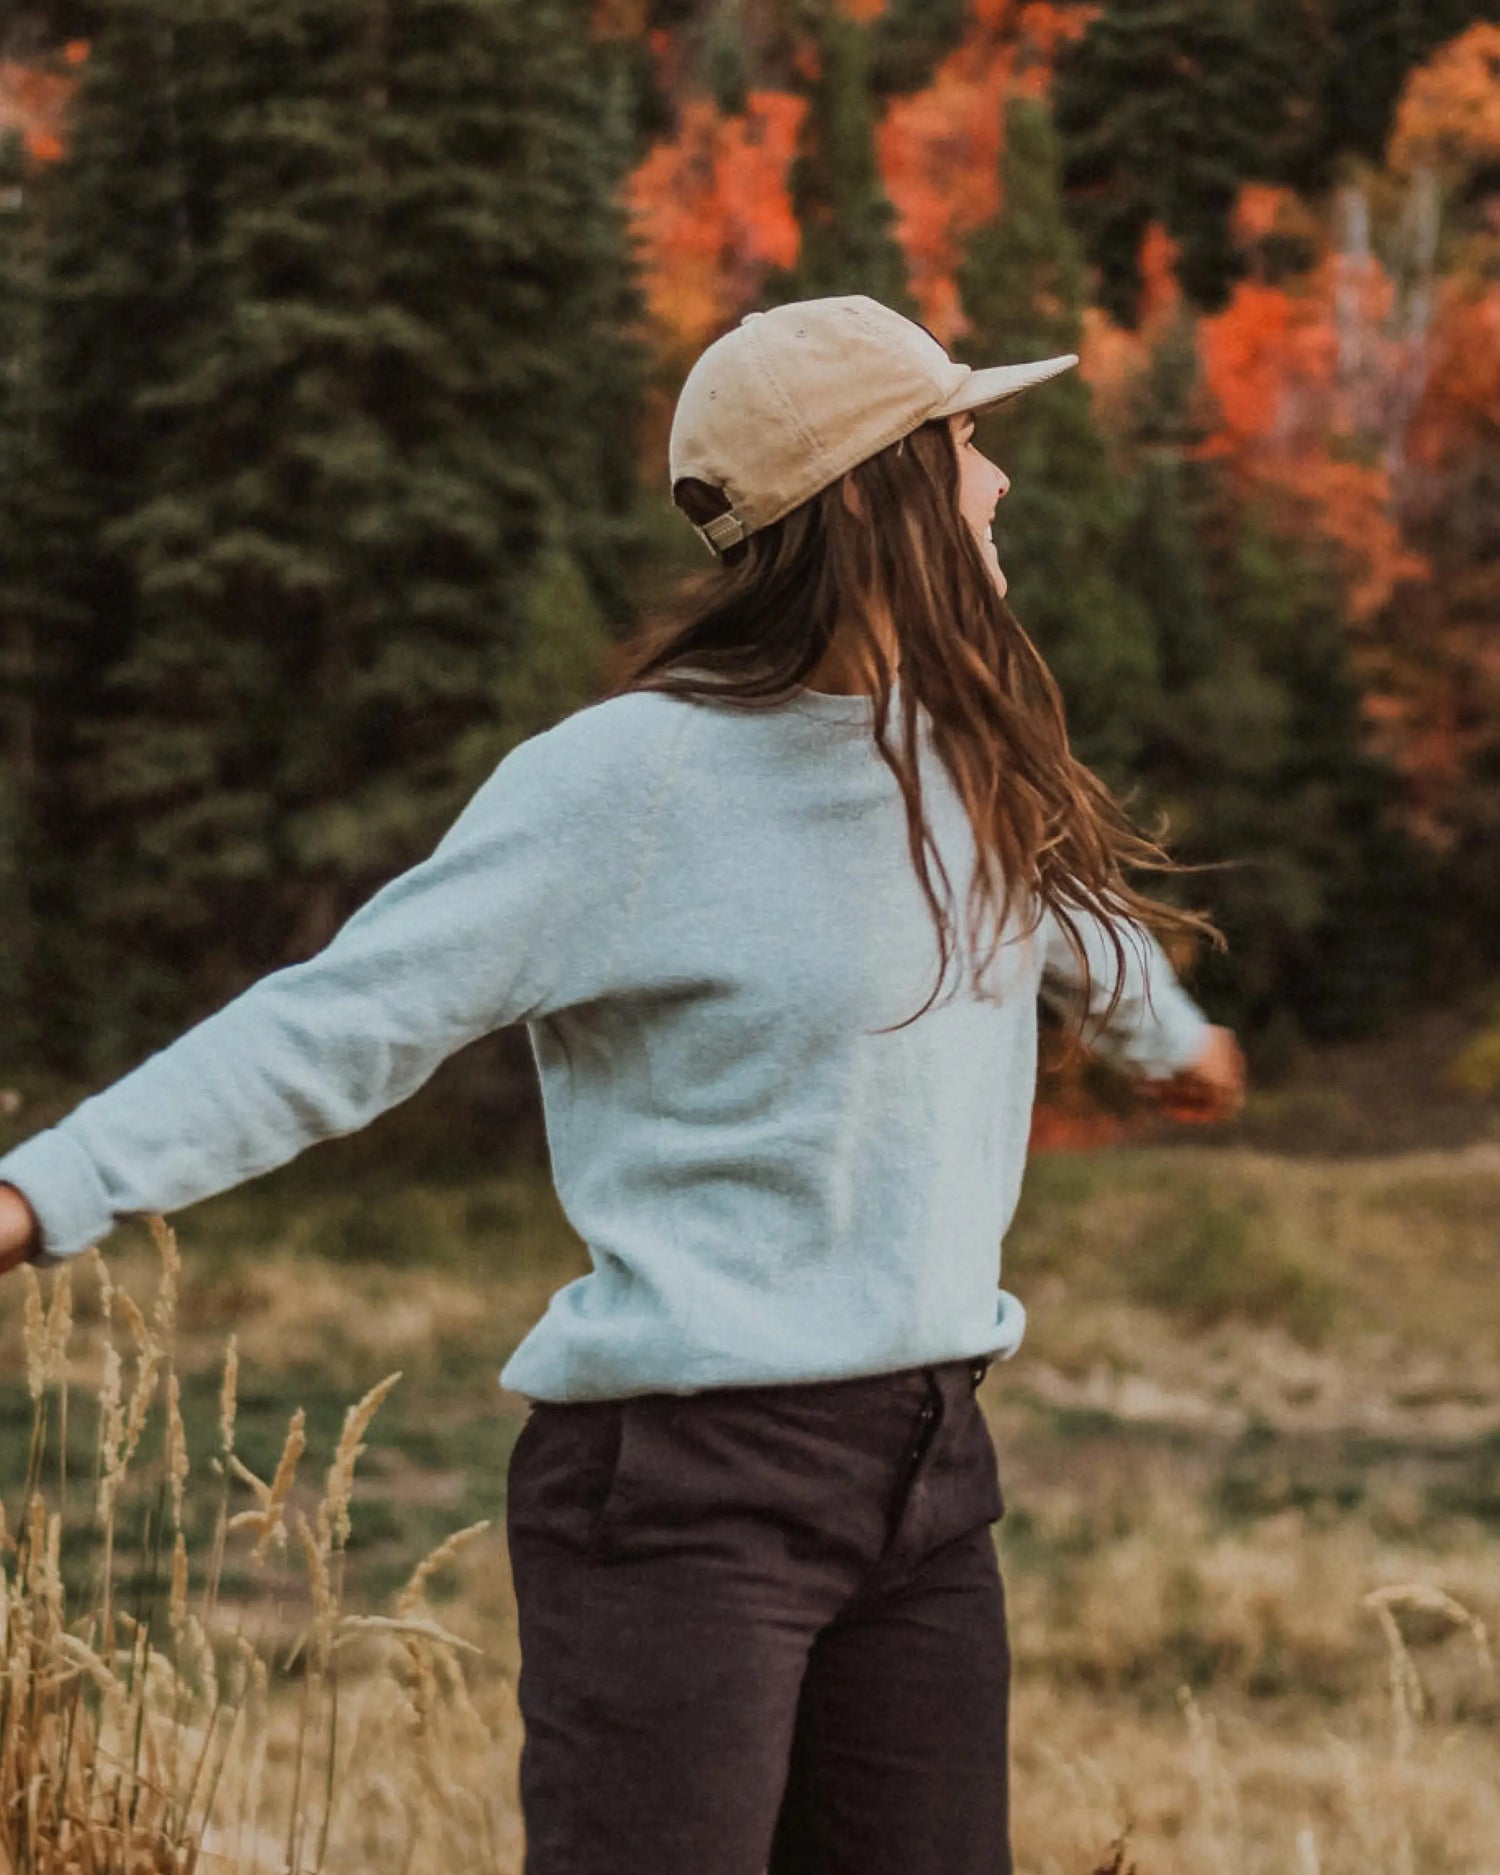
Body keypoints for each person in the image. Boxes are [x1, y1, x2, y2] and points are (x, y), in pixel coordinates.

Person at [0, 293, 1245, 1874]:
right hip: (686, 1497)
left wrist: (1176, 1045)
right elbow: (341, 1021)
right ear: (877, 491)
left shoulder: (958, 757)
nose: (997, 482)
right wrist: (45, 1189)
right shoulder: (627, 788)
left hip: (930, 1477)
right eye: (965, 442)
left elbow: (1070, 924)